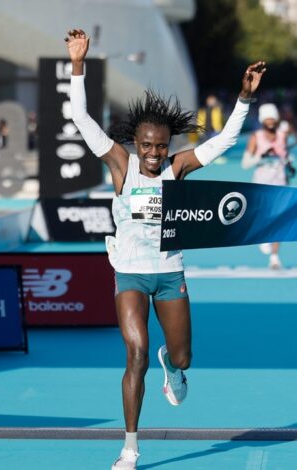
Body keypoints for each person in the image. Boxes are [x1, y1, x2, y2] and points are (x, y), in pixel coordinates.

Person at [65, 29, 265, 470]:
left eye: (161, 146)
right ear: (135, 144)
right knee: (135, 353)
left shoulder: (178, 168)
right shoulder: (120, 164)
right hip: (130, 273)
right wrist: (77, 64)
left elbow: (225, 142)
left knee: (182, 356)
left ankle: (173, 371)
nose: (154, 154)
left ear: (168, 145)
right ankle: (130, 448)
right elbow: (80, 118)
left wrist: (245, 98)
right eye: (147, 146)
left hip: (170, 273)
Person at [241, 103, 295, 269]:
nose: (271, 121)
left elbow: (288, 152)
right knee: (263, 218)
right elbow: (245, 163)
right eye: (267, 118)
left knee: (279, 220)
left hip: (280, 183)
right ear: (263, 120)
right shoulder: (256, 137)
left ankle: (274, 257)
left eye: (273, 118)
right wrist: (261, 157)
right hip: (261, 184)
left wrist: (288, 160)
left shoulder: (282, 135)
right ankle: (263, 237)